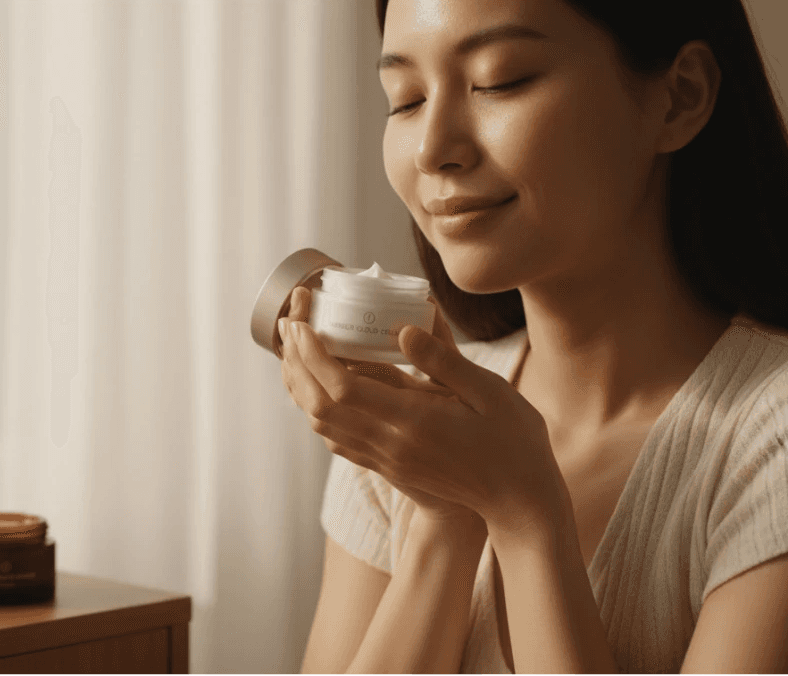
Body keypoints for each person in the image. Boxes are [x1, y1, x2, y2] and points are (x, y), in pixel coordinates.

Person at [283, 0, 788, 673]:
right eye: (404, 99)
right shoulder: (405, 427)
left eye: (500, 80)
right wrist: (445, 519)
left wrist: (524, 515)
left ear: (679, 98)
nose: (433, 147)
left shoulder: (767, 446)